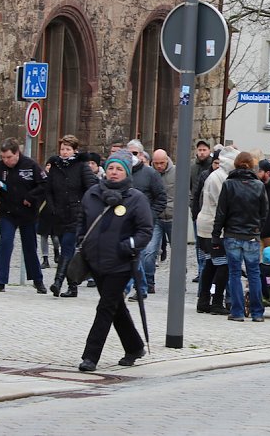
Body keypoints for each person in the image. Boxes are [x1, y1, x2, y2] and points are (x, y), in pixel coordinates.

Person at [77, 150, 153, 372]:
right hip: (95, 261)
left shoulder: (136, 199)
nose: (114, 172)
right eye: (111, 168)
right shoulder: (92, 194)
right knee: (115, 307)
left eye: (119, 169)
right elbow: (81, 220)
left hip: (120, 263)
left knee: (105, 307)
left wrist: (128, 246)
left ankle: (90, 356)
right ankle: (134, 347)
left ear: (127, 172)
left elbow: (145, 230)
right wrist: (82, 241)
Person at [0, 138, 48, 294]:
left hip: (28, 213)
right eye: (3, 157)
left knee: (30, 247)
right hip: (8, 212)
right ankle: (0, 281)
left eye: (9, 157)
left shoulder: (31, 165)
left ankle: (37, 280)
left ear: (17, 154)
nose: (6, 161)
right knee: (5, 243)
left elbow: (45, 185)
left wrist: (31, 197)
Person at [212, 151, 268, 322]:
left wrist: (216, 234)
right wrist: (258, 229)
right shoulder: (259, 186)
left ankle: (237, 311)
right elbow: (264, 213)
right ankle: (257, 312)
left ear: (235, 165)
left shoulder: (229, 184)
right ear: (252, 166)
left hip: (232, 234)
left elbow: (221, 212)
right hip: (251, 234)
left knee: (234, 273)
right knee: (254, 273)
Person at [45, 135, 99, 298]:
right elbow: (48, 189)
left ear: (74, 150)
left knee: (67, 248)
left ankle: (57, 282)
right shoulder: (55, 165)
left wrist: (82, 207)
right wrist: (52, 206)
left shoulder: (82, 166)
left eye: (68, 149)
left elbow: (92, 188)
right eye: (62, 149)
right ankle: (72, 286)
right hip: (59, 214)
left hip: (76, 214)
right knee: (65, 250)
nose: (64, 152)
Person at [196, 148, 234, 315]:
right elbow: (223, 204)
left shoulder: (218, 176)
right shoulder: (220, 178)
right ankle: (217, 301)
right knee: (222, 265)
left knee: (210, 264)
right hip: (212, 226)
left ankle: (203, 300)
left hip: (207, 225)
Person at [126, 139, 166, 299]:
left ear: (141, 155)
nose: (132, 157)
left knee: (141, 255)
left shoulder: (150, 174)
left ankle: (139, 287)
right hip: (125, 220)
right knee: (130, 255)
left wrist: (150, 215)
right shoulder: (123, 172)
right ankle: (135, 287)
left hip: (144, 222)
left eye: (135, 153)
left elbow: (161, 197)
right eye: (129, 154)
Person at [143, 149, 175, 293]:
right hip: (156, 217)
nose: (159, 166)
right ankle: (149, 283)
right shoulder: (150, 174)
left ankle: (178, 281)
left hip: (174, 217)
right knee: (150, 251)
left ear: (167, 160)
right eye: (156, 163)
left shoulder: (176, 172)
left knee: (178, 252)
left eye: (162, 163)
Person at [190, 140, 213, 282]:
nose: (202, 152)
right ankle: (201, 271)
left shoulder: (212, 166)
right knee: (199, 244)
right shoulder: (193, 168)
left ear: (209, 151)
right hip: (196, 210)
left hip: (208, 211)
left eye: (204, 149)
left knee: (207, 244)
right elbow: (191, 188)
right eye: (200, 150)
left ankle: (206, 271)